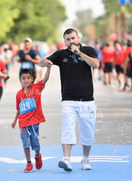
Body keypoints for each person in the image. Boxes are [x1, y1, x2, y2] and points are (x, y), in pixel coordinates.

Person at [40, 28, 99, 171]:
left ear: (78, 38)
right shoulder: (61, 54)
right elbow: (43, 62)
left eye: (73, 38)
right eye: (68, 39)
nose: (71, 41)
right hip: (68, 99)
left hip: (87, 100)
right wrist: (45, 63)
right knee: (67, 129)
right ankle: (66, 158)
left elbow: (96, 64)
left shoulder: (89, 50)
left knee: (87, 131)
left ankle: (85, 159)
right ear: (64, 41)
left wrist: (79, 53)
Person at [11, 64, 51, 173]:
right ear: (20, 80)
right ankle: (28, 163)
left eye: (28, 78)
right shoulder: (19, 94)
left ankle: (37, 155)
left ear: (32, 79)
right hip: (23, 122)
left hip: (34, 122)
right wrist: (15, 121)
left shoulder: (36, 88)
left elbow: (45, 80)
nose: (26, 80)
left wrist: (48, 68)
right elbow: (19, 109)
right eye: (23, 78)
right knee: (25, 143)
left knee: (35, 143)